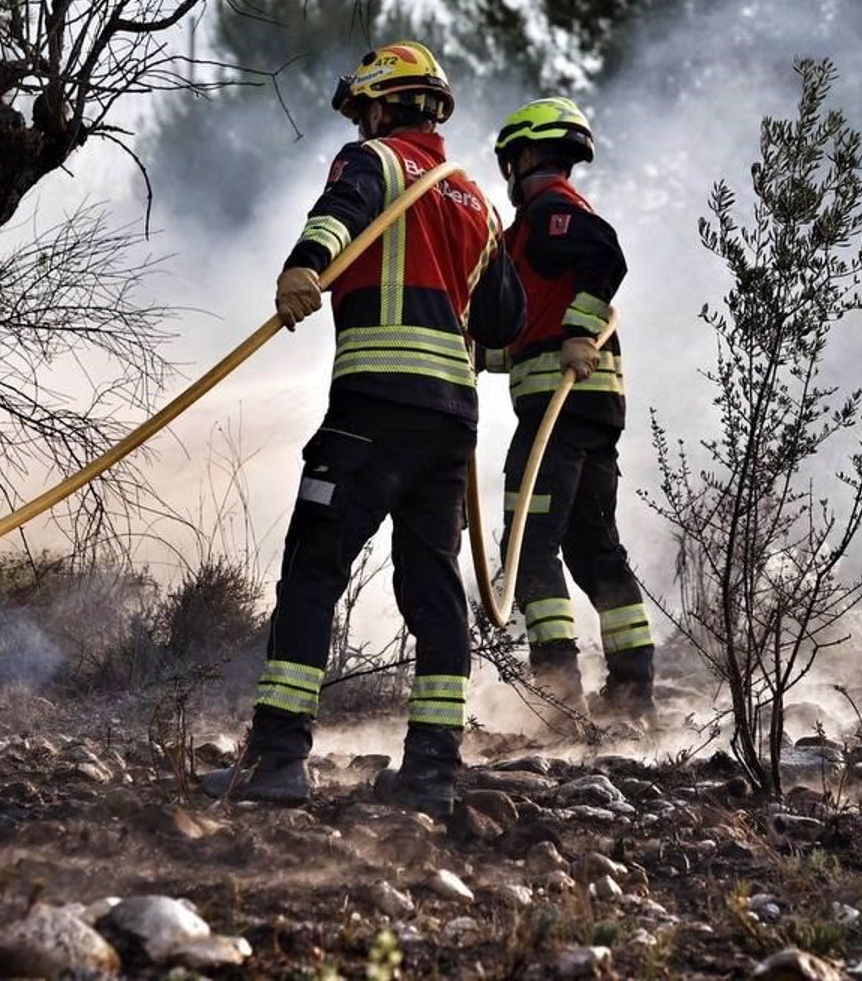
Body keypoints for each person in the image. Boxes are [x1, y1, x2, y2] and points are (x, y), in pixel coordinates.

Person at [216, 41, 524, 818]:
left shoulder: (375, 162)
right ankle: (430, 775)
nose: (360, 123)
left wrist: (301, 269)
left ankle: (279, 759)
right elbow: (504, 322)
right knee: (433, 590)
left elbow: (339, 215)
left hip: (373, 407)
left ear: (385, 104)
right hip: (450, 421)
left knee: (315, 568)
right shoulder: (476, 200)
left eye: (364, 109)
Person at [483, 96, 654, 717]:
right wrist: (475, 354)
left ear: (524, 156)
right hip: (590, 408)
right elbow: (535, 338)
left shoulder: (549, 211)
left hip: (560, 411)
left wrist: (582, 331)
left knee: (526, 548)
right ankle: (634, 696)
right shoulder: (534, 233)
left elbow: (606, 256)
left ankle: (558, 698)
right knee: (593, 548)